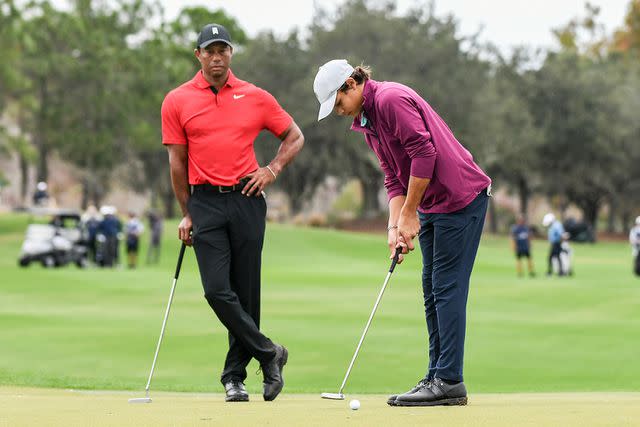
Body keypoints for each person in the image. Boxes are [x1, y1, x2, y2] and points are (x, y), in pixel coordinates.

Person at [313, 60, 491, 407]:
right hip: (433, 202)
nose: (338, 111)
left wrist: (410, 213)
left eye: (337, 102)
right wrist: (395, 226)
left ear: (352, 83)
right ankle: (436, 374)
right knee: (431, 288)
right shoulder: (367, 120)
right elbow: (393, 176)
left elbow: (425, 152)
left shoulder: (390, 99)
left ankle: (449, 380)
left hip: (460, 197)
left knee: (446, 286)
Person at [162, 23, 304, 402]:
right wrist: (186, 212)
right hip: (204, 202)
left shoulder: (255, 96)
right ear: (198, 55)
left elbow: (294, 136)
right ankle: (270, 352)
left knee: (247, 292)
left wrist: (271, 170)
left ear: (231, 54)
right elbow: (177, 163)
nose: (216, 57)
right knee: (216, 291)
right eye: (209, 50)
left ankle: (234, 378)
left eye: (222, 49)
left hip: (246, 197)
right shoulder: (177, 100)